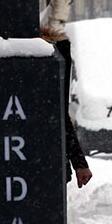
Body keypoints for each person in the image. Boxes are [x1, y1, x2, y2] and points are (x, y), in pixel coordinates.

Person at [40, 26, 93, 188]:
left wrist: (79, 162)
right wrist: (79, 163)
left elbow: (60, 119)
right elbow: (61, 120)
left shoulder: (51, 58)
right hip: (47, 165)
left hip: (42, 165)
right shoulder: (51, 58)